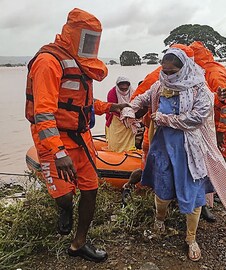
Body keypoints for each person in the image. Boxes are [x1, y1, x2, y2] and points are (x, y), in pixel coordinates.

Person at [122, 47, 226, 261]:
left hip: (189, 149)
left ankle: (191, 238)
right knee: (162, 188)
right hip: (162, 147)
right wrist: (128, 111)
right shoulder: (159, 86)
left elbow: (196, 118)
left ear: (184, 68)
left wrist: (165, 119)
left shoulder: (199, 89)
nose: (168, 75)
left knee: (193, 193)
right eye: (165, 70)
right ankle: (159, 220)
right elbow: (141, 100)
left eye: (172, 71)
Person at [25, 8, 126, 262]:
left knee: (91, 189)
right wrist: (58, 152)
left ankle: (78, 244)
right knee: (65, 196)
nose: (91, 44)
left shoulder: (80, 63)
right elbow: (43, 113)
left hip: (82, 137)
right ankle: (64, 210)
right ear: (73, 34)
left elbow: (82, 104)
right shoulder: (48, 62)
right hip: (53, 139)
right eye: (87, 38)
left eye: (94, 39)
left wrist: (109, 107)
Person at [190, 41, 226, 222]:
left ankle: (225, 192)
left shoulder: (212, 73)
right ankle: (220, 191)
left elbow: (225, 102)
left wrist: (221, 130)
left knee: (222, 158)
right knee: (219, 158)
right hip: (221, 122)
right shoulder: (211, 70)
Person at [105, 76, 136, 152]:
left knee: (129, 139)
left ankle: (129, 151)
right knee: (116, 139)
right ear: (118, 86)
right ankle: (115, 152)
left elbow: (135, 104)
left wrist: (129, 115)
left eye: (126, 89)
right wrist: (123, 113)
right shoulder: (112, 93)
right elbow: (112, 107)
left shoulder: (133, 92)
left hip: (129, 119)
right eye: (122, 89)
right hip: (116, 119)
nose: (124, 90)